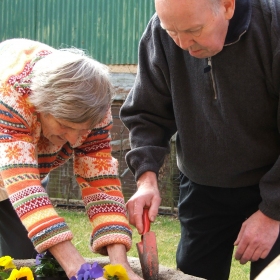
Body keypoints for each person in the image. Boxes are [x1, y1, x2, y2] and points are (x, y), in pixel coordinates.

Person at [120, 0, 280, 279]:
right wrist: (146, 178)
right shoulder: (161, 29)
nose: (183, 43)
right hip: (202, 187)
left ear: (228, 6)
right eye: (173, 32)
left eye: (194, 30)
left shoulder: (273, 23)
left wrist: (272, 212)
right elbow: (146, 113)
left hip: (272, 180)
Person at [0, 38, 143, 280]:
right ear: (40, 107)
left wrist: (120, 268)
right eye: (66, 127)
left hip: (26, 172)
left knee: (28, 259)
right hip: (14, 169)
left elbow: (101, 182)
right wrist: (77, 270)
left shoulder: (93, 104)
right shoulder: (11, 96)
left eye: (83, 130)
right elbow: (24, 187)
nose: (76, 141)